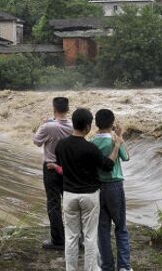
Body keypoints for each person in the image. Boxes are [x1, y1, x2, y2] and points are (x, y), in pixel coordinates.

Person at [56, 108, 122, 271]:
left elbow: (60, 164)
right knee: (90, 236)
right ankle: (90, 268)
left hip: (69, 195)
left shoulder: (61, 145)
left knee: (71, 237)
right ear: (87, 126)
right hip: (89, 196)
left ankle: (71, 269)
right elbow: (107, 166)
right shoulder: (90, 148)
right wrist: (117, 145)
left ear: (73, 124)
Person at [92, 109, 132, 271]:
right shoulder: (114, 141)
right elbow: (126, 157)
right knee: (121, 227)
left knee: (103, 229)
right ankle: (123, 266)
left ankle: (107, 266)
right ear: (112, 123)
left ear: (96, 123)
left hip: (98, 188)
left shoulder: (92, 143)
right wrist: (120, 138)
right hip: (115, 187)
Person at [33, 97, 73, 250]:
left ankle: (58, 240)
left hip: (51, 167)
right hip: (69, 168)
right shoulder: (73, 125)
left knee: (54, 203)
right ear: (67, 109)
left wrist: (42, 124)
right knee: (71, 203)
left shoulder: (48, 127)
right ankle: (76, 237)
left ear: (54, 108)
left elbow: (37, 141)